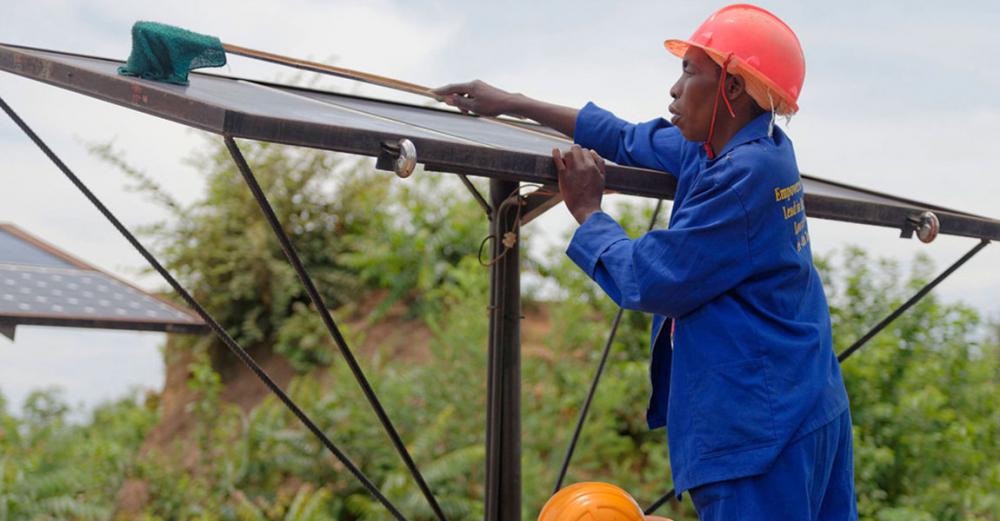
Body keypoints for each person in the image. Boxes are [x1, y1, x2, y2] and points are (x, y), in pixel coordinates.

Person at [435, 4, 857, 520]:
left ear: (733, 88)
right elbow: (624, 137)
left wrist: (589, 212)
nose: (674, 90)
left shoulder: (742, 178)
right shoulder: (741, 147)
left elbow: (650, 277)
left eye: (689, 71)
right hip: (807, 403)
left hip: (760, 431)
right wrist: (514, 102)